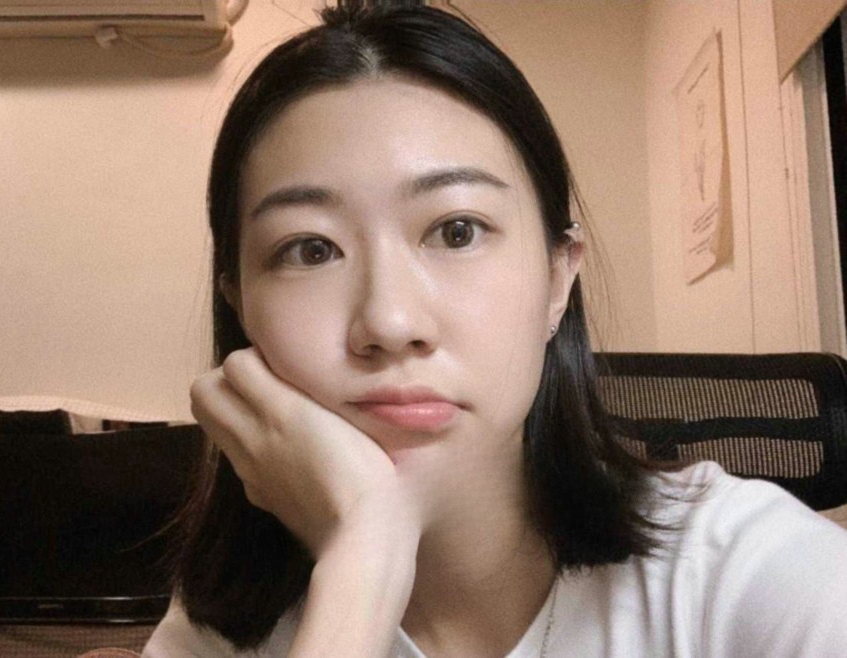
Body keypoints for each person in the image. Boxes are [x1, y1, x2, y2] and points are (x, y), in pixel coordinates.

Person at [143, 5, 847, 657]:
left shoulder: (747, 576)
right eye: (311, 249)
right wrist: (362, 562)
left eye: (457, 231)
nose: (389, 323)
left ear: (557, 280)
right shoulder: (215, 633)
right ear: (241, 308)